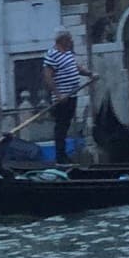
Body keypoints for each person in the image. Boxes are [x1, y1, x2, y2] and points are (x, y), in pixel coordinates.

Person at [42, 31, 81, 164]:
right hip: (61, 98)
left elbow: (75, 67)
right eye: (69, 39)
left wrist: (89, 73)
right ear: (62, 40)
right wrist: (58, 95)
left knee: (66, 125)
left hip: (72, 95)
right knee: (61, 127)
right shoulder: (51, 55)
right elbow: (47, 77)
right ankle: (60, 157)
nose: (71, 41)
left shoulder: (68, 52)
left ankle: (63, 155)